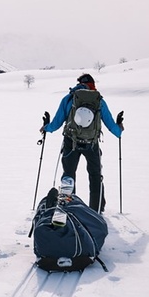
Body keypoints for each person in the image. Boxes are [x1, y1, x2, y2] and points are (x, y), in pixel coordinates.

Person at [41, 73, 124, 212]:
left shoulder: (69, 99)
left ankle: (68, 207)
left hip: (70, 141)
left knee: (68, 174)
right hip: (91, 143)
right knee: (95, 175)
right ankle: (96, 209)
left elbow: (56, 123)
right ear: (92, 84)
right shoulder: (98, 101)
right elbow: (111, 126)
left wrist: (46, 127)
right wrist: (119, 129)